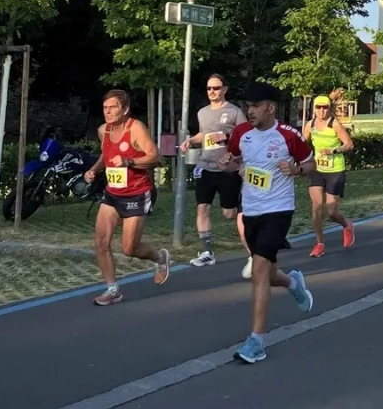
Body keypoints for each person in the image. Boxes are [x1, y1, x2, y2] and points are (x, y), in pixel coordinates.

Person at [219, 82, 315, 364]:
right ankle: (292, 283)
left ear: (270, 108)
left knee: (259, 270)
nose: (250, 111)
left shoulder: (288, 135)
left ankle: (256, 341)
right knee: (268, 274)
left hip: (278, 209)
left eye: (256, 106)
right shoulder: (241, 133)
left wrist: (296, 169)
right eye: (248, 106)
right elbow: (235, 161)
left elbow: (311, 165)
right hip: (251, 210)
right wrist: (228, 162)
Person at [85, 90, 170, 306]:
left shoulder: (135, 128)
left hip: (137, 193)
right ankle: (112, 289)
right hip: (112, 194)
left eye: (112, 107)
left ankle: (160, 257)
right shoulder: (104, 130)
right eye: (105, 108)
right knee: (101, 242)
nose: (108, 111)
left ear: (125, 109)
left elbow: (155, 156)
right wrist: (94, 170)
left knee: (129, 248)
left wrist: (129, 162)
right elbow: (106, 155)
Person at [179, 74, 251, 275]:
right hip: (205, 165)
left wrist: (227, 136)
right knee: (202, 208)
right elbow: (204, 134)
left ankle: (253, 227)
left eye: (216, 88)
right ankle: (207, 252)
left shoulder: (234, 112)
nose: (212, 92)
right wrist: (190, 140)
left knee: (229, 213)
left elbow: (246, 134)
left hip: (228, 168)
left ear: (225, 89)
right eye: (209, 88)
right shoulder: (202, 112)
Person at [303, 94, 355, 258]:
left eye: (325, 107)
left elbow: (349, 145)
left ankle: (347, 225)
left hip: (335, 169)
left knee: (331, 211)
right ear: (314, 109)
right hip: (318, 169)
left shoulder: (335, 124)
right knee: (316, 207)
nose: (321, 111)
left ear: (329, 109)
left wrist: (333, 150)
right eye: (318, 107)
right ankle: (319, 244)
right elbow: (303, 144)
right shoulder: (309, 125)